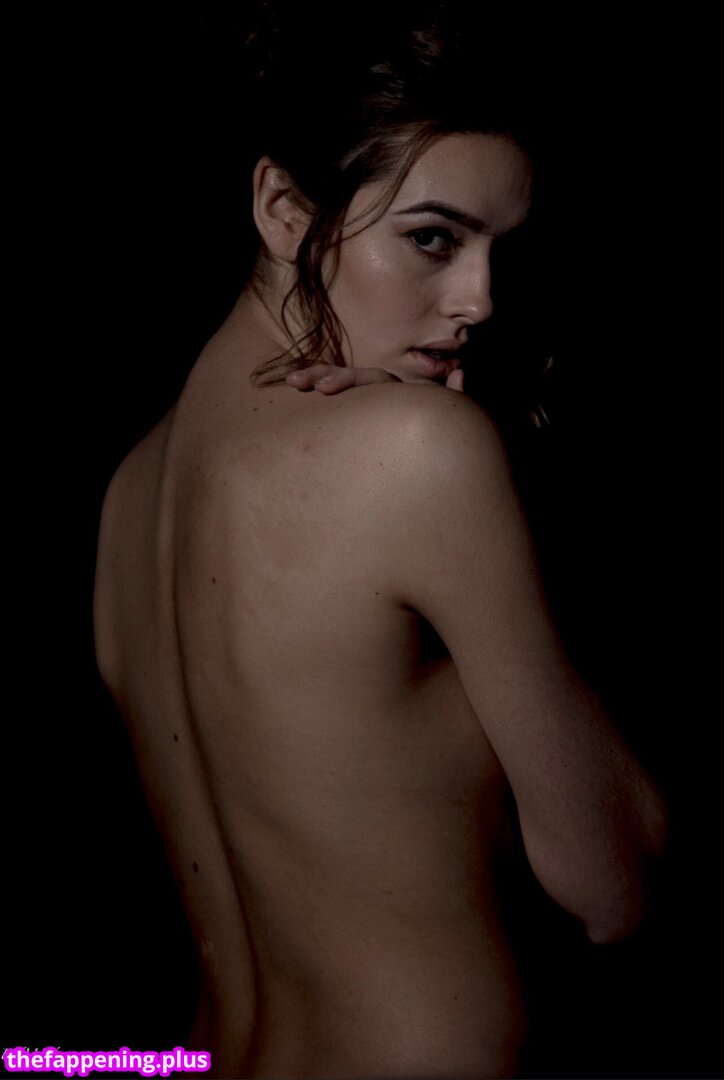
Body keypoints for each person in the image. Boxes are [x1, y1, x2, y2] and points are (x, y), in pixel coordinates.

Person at [93, 6, 667, 1077]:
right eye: (432, 239)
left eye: (499, 249)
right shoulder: (419, 451)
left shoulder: (132, 491)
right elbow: (614, 886)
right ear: (282, 208)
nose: (480, 300)